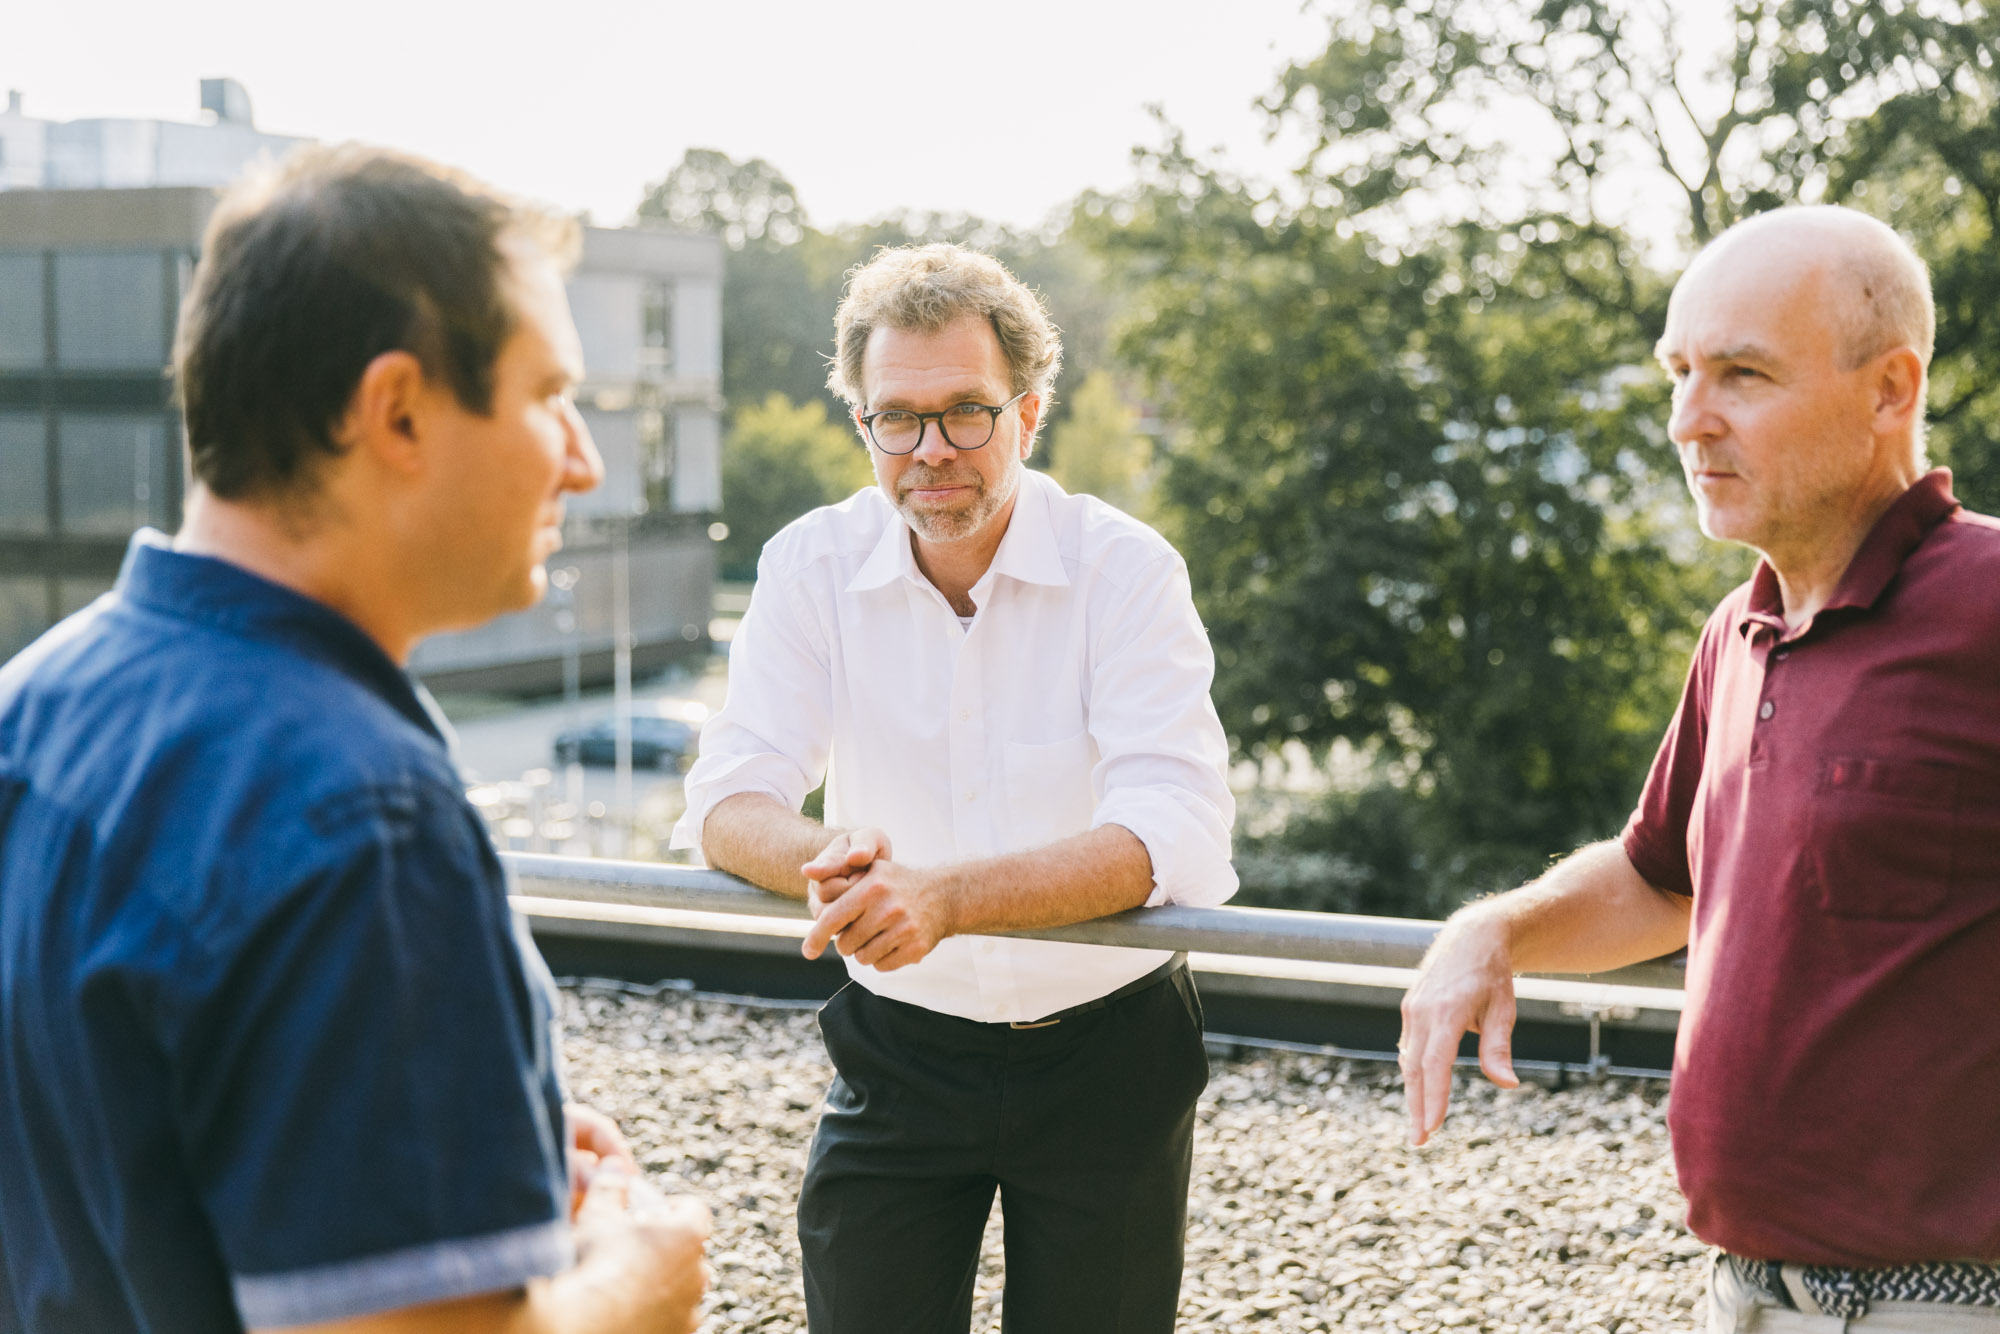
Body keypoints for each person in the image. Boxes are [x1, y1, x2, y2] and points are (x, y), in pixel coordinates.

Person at [0, 146, 709, 1334]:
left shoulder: (35, 704)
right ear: (397, 410)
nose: (581, 460)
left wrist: (475, 1153)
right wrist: (642, 1277)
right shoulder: (359, 818)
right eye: (548, 395)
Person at [1398, 204, 2000, 1331]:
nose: (1686, 419)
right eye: (1677, 372)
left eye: (1740, 374)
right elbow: (1657, 879)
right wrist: (1495, 929)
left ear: (1889, 390)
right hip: (1740, 1295)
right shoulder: (1741, 627)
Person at [671, 243, 1237, 1334]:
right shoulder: (810, 566)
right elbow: (729, 797)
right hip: (899, 1045)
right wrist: (837, 866)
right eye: (899, 417)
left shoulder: (1127, 571)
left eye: (966, 412)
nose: (931, 450)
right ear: (864, 425)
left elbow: (1175, 836)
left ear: (1029, 411)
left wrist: (941, 896)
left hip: (1108, 1047)